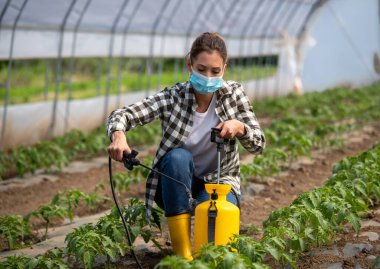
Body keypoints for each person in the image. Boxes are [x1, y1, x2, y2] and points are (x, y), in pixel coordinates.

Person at [107, 32, 265, 260]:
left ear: (224, 69)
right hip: (175, 183)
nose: (208, 77)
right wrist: (118, 135)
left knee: (215, 243)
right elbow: (123, 114)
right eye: (201, 70)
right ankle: (182, 257)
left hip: (219, 183)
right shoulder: (174, 98)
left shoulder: (234, 95)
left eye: (215, 71)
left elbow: (258, 143)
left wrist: (240, 127)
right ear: (189, 64)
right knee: (178, 157)